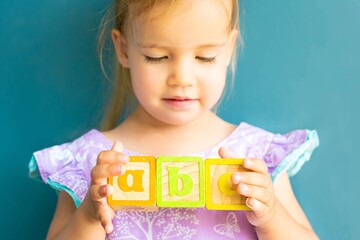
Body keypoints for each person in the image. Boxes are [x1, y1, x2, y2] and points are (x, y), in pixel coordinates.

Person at [29, 0, 320, 239]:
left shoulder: (257, 157)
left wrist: (271, 216)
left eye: (205, 57)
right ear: (124, 49)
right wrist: (90, 216)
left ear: (229, 49)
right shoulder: (89, 164)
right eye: (157, 57)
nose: (181, 79)